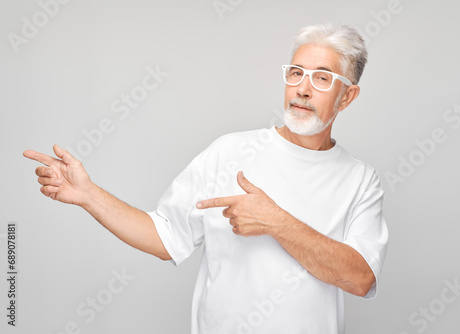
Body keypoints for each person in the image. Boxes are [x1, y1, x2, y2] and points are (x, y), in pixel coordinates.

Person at [24, 23, 388, 334]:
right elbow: (165, 236)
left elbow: (360, 278)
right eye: (296, 73)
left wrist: (276, 221)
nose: (302, 89)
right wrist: (89, 194)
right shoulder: (228, 152)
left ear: (347, 97)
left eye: (322, 78)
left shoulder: (360, 180)